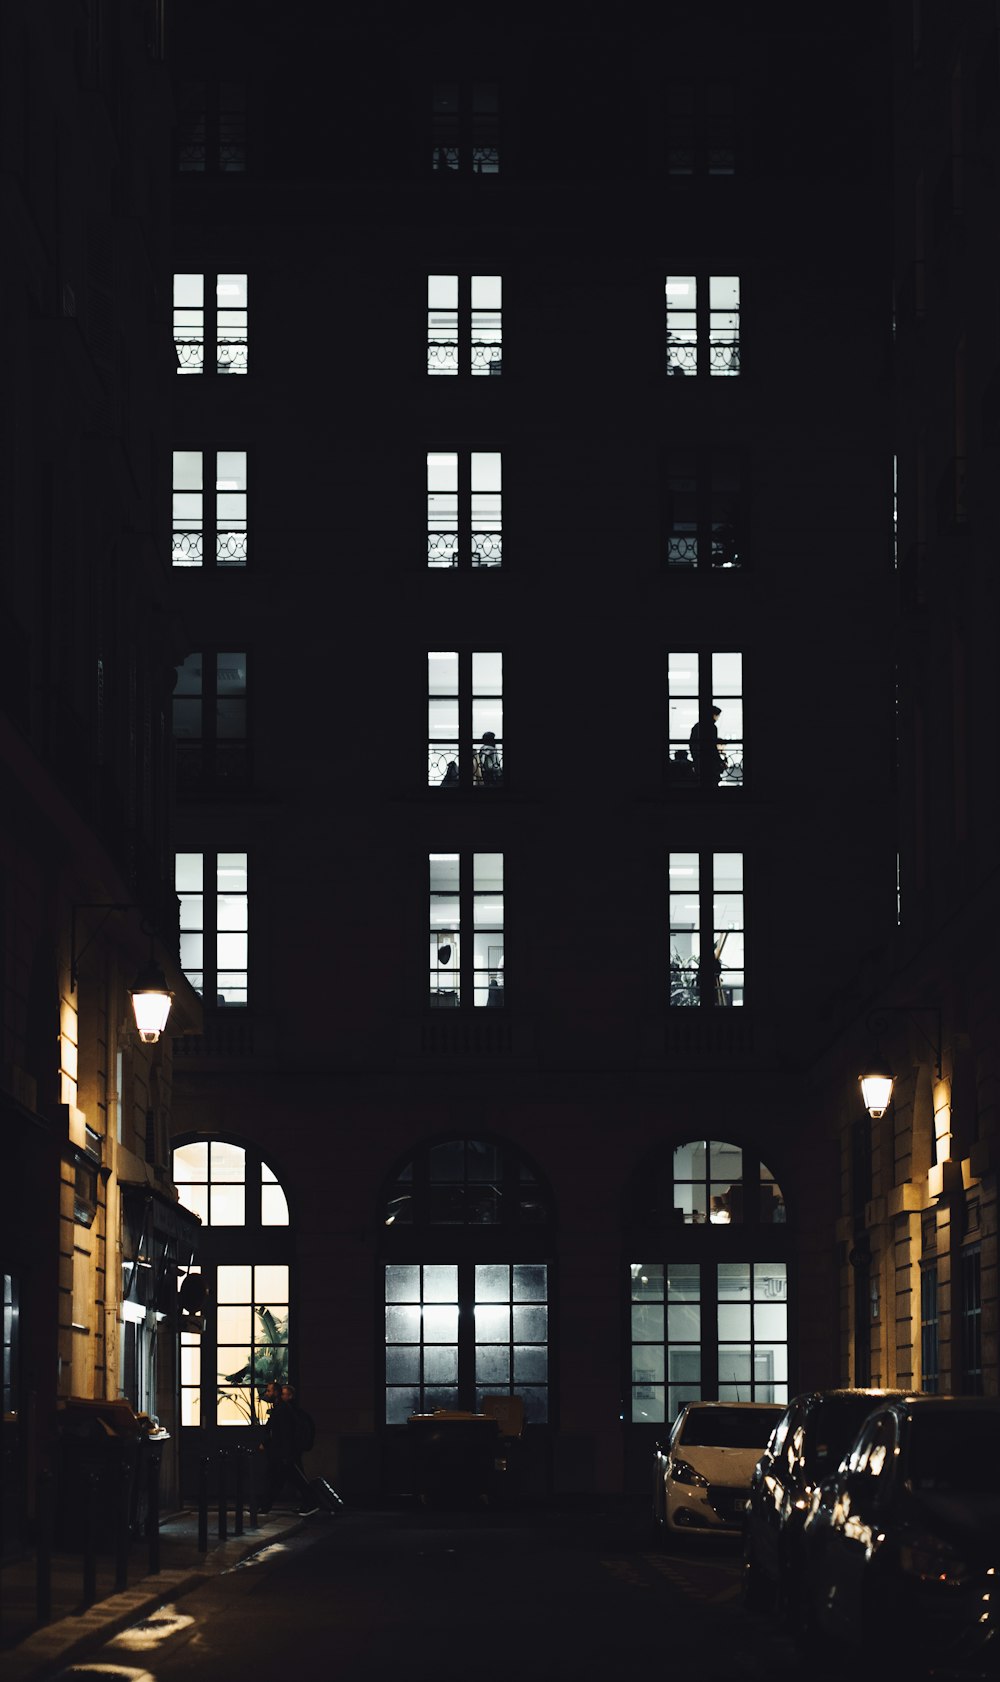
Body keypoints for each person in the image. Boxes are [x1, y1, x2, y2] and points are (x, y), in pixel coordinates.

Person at [263, 1382, 318, 1515]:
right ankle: (311, 1502)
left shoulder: (284, 1410)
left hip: (285, 1452)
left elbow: (284, 1433)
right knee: (289, 1479)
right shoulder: (286, 1409)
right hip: (288, 1452)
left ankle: (265, 1506)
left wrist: (283, 1452)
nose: (267, 1393)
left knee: (284, 1479)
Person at [689, 706, 727, 785]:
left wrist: (695, 756)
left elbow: (691, 743)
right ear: (714, 715)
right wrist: (719, 760)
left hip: (698, 757)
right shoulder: (712, 727)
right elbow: (712, 745)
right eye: (717, 716)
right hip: (709, 759)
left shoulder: (696, 726)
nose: (717, 719)